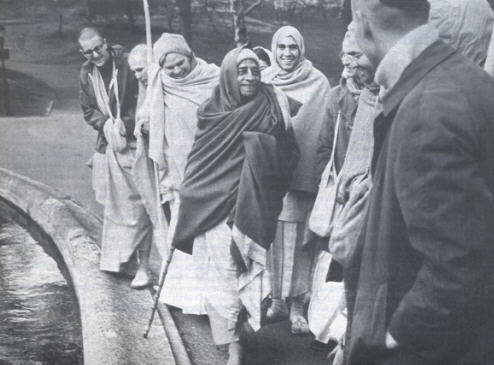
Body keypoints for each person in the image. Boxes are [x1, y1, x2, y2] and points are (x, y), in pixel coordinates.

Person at [346, 0, 494, 364]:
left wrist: (390, 337)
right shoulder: (470, 82)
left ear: (364, 25)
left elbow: (457, 267)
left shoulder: (428, 107)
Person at [171, 47, 299, 365]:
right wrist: (192, 200)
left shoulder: (273, 102)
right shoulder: (211, 111)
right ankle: (233, 345)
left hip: (255, 204)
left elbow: (290, 152)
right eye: (242, 71)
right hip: (213, 208)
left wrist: (261, 151)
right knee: (221, 275)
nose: (251, 77)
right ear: (229, 74)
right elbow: (199, 163)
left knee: (243, 268)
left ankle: (238, 330)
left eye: (255, 70)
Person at [136, 33, 220, 314]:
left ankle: (213, 301)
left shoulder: (213, 78)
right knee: (183, 233)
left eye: (179, 63)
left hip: (211, 167)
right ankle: (184, 297)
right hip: (177, 170)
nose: (175, 71)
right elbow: (144, 119)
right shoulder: (159, 85)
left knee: (211, 234)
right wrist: (145, 126)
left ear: (190, 55)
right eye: (168, 67)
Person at [308, 22, 379, 353]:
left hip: (371, 194)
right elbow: (324, 144)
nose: (352, 62)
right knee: (335, 257)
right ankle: (329, 327)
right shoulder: (336, 97)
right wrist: (336, 177)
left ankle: (350, 334)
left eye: (357, 54)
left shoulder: (378, 95)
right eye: (347, 55)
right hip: (342, 193)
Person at [262, 25, 332, 334]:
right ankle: (277, 300)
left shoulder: (319, 83)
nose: (287, 53)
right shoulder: (264, 81)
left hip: (305, 177)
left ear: (301, 48)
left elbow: (325, 130)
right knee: (273, 239)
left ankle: (298, 305)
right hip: (272, 176)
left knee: (302, 241)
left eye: (293, 47)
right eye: (282, 48)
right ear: (274, 49)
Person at [78, 27, 152, 288]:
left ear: (106, 42)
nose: (95, 54)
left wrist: (128, 121)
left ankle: (144, 267)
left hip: (136, 140)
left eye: (98, 47)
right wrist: (106, 124)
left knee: (141, 206)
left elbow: (145, 96)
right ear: (83, 53)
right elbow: (88, 110)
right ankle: (126, 260)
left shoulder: (128, 63)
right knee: (116, 207)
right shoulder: (87, 73)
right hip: (109, 142)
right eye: (88, 51)